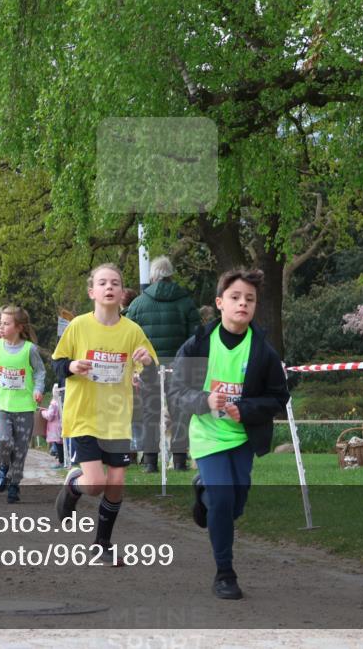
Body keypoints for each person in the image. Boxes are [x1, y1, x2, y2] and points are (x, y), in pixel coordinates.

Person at [167, 268, 289, 600]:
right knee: (223, 500)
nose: (242, 304)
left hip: (242, 438)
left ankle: (203, 494)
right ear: (220, 303)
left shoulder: (263, 350)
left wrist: (245, 410)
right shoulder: (199, 345)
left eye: (249, 299)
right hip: (207, 436)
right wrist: (204, 400)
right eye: (235, 298)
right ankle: (225, 573)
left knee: (234, 505)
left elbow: (279, 397)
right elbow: (176, 391)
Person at [52, 263, 157, 564]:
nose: (109, 287)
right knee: (95, 484)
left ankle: (102, 544)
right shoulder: (79, 327)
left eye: (115, 283)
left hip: (117, 417)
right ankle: (74, 484)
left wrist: (145, 360)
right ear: (92, 292)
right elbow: (58, 363)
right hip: (84, 414)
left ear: (123, 293)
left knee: (116, 483)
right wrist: (71, 366)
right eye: (102, 283)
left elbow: (147, 365)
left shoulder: (132, 331)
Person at [124, 256, 201, 473]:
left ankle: (150, 461)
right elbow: (195, 338)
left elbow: (130, 338)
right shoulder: (186, 302)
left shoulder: (138, 304)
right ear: (171, 275)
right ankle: (178, 460)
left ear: (153, 277)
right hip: (179, 367)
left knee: (150, 412)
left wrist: (134, 367)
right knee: (180, 412)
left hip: (150, 366)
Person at [0, 305, 45, 504]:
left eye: (5, 323)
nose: (1, 327)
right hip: (1, 403)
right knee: (2, 440)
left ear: (19, 327)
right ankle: (3, 466)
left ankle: (14, 484)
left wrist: (38, 389)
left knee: (20, 449)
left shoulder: (30, 349)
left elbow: (39, 372)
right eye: (0, 323)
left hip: (24, 406)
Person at [41, 381, 64, 468]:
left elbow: (50, 416)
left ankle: (61, 462)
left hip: (55, 428)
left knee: (58, 445)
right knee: (61, 444)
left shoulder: (54, 403)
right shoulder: (62, 401)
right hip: (62, 425)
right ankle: (62, 460)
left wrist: (43, 413)